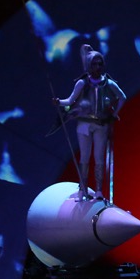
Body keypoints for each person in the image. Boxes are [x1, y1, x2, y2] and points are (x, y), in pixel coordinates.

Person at [53, 45, 127, 202]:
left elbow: (122, 97)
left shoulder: (108, 83)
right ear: (88, 65)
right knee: (84, 157)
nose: (98, 67)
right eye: (94, 64)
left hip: (101, 124)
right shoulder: (82, 83)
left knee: (99, 157)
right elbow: (70, 100)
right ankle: (83, 189)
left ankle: (99, 190)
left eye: (100, 64)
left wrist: (114, 114)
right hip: (84, 124)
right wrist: (59, 102)